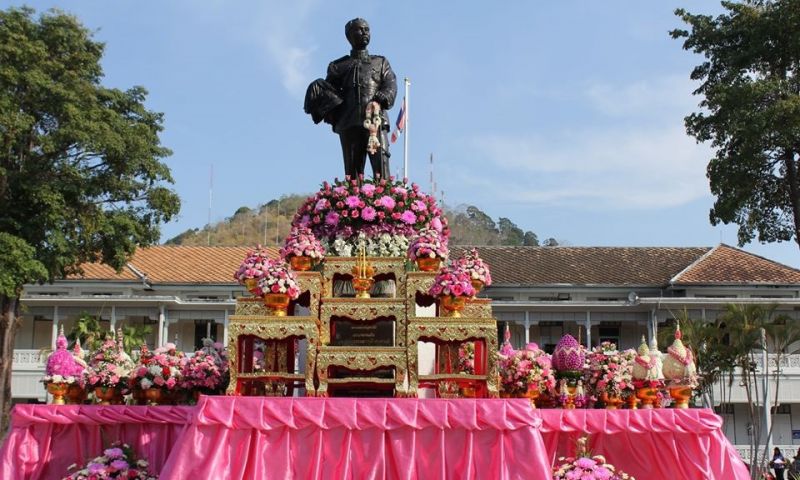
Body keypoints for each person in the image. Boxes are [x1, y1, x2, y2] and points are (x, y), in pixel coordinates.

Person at [304, 18, 397, 179]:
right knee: (352, 173)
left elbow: (391, 84)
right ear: (349, 36)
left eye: (367, 29)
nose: (364, 33)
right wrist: (318, 90)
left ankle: (385, 201)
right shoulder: (338, 66)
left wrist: (382, 98)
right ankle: (353, 203)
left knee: (381, 166)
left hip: (376, 120)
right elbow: (329, 91)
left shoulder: (380, 62)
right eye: (359, 30)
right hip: (349, 122)